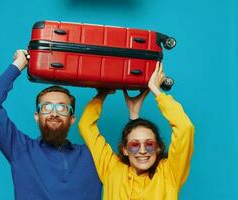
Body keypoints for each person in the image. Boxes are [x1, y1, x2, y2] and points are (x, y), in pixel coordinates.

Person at [0, 50, 102, 200]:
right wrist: (18, 64)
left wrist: (107, 98)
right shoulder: (21, 149)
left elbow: (133, 163)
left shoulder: (92, 155)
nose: (54, 113)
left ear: (72, 119)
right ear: (37, 117)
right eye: (47, 107)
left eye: (62, 108)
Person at [78, 62, 194, 200]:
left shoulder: (169, 173)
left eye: (150, 144)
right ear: (124, 150)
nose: (142, 151)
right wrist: (102, 93)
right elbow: (85, 124)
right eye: (134, 145)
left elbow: (185, 127)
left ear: (158, 148)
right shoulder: (112, 169)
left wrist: (156, 91)